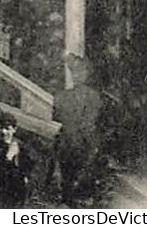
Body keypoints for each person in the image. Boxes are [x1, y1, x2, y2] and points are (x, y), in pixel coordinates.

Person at [54, 56, 103, 207]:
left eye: (80, 71)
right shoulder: (64, 96)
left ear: (87, 74)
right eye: (74, 72)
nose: (77, 75)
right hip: (72, 147)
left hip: (79, 146)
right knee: (70, 189)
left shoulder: (91, 97)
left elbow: (89, 123)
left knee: (78, 190)